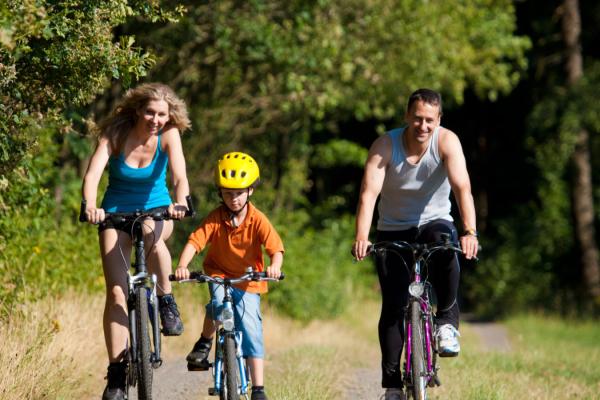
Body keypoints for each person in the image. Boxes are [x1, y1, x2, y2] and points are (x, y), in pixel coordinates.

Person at [352, 88, 479, 400]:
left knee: (448, 249)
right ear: (407, 116)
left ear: (439, 120)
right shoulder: (385, 145)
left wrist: (470, 231)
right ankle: (393, 386)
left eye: (430, 121)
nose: (423, 126)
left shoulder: (447, 142)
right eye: (418, 119)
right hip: (393, 228)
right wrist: (362, 237)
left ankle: (447, 323)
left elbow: (462, 187)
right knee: (393, 306)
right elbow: (369, 193)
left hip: (435, 221)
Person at [81, 82, 191, 400]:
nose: (156, 120)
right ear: (137, 110)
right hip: (115, 214)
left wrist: (181, 201)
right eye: (150, 112)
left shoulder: (169, 135)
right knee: (116, 292)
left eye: (162, 114)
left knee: (149, 232)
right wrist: (91, 206)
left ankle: (166, 300)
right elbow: (92, 176)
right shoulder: (115, 134)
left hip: (157, 212)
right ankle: (116, 376)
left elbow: (180, 177)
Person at [174, 152, 284, 400]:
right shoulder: (216, 217)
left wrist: (274, 266)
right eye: (227, 193)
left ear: (250, 192)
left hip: (249, 279)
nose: (233, 199)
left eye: (239, 193)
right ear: (220, 193)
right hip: (218, 273)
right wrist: (182, 265)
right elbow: (195, 242)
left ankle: (258, 388)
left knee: (252, 328)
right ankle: (204, 342)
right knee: (216, 306)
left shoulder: (258, 219)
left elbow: (275, 248)